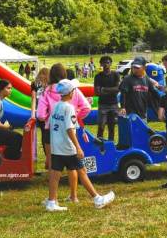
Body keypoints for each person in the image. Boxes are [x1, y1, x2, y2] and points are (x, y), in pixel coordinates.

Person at [44, 79, 115, 212]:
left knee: (55, 174)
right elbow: (70, 129)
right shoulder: (69, 108)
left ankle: (51, 201)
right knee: (82, 171)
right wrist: (78, 147)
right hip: (68, 148)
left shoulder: (56, 107)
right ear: (70, 92)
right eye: (74, 90)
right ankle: (97, 198)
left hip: (57, 146)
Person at [37, 63, 91, 176]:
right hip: (69, 130)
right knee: (73, 163)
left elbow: (41, 115)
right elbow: (86, 107)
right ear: (64, 74)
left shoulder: (46, 91)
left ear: (50, 75)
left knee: (53, 162)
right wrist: (75, 117)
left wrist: (50, 117)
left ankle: (52, 187)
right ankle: (74, 190)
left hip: (51, 130)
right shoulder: (73, 90)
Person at [0, 80, 23, 160]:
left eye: (11, 88)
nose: (11, 90)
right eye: (8, 88)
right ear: (1, 89)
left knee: (14, 134)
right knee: (18, 138)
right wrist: (5, 126)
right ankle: (10, 157)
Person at [94, 56, 121, 140]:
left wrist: (104, 89)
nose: (106, 64)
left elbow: (118, 89)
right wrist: (112, 90)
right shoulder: (98, 76)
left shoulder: (115, 75)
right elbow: (97, 92)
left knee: (112, 127)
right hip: (103, 105)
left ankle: (111, 145)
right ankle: (99, 146)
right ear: (101, 64)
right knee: (101, 127)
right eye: (104, 63)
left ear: (111, 63)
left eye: (108, 62)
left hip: (113, 104)